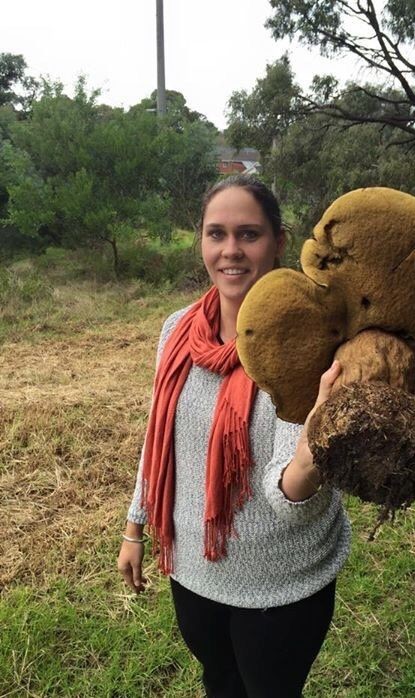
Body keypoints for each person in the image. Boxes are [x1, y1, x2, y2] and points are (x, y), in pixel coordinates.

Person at [117, 174, 351, 698]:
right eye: (216, 234)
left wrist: (311, 462)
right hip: (193, 571)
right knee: (218, 684)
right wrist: (135, 526)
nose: (231, 251)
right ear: (199, 239)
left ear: (279, 242)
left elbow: (293, 500)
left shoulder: (313, 346)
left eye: (249, 234)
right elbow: (161, 438)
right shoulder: (177, 330)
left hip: (281, 584)